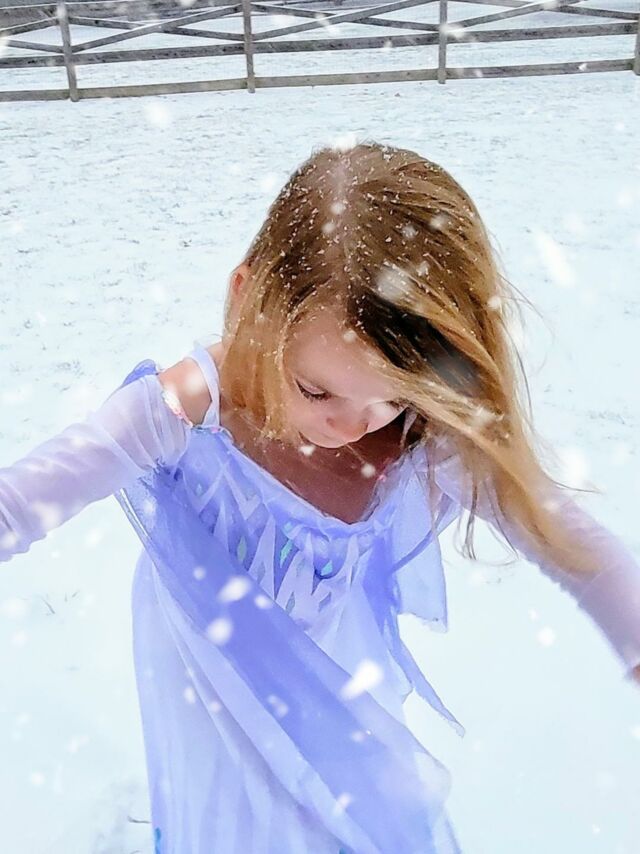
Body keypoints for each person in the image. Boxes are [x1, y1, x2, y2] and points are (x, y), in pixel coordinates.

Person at [1, 141, 639, 854]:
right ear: (251, 299)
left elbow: (571, 542)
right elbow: (21, 501)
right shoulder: (186, 410)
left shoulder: (421, 443)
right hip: (209, 699)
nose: (351, 426)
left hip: (337, 702)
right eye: (315, 390)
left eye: (391, 397)